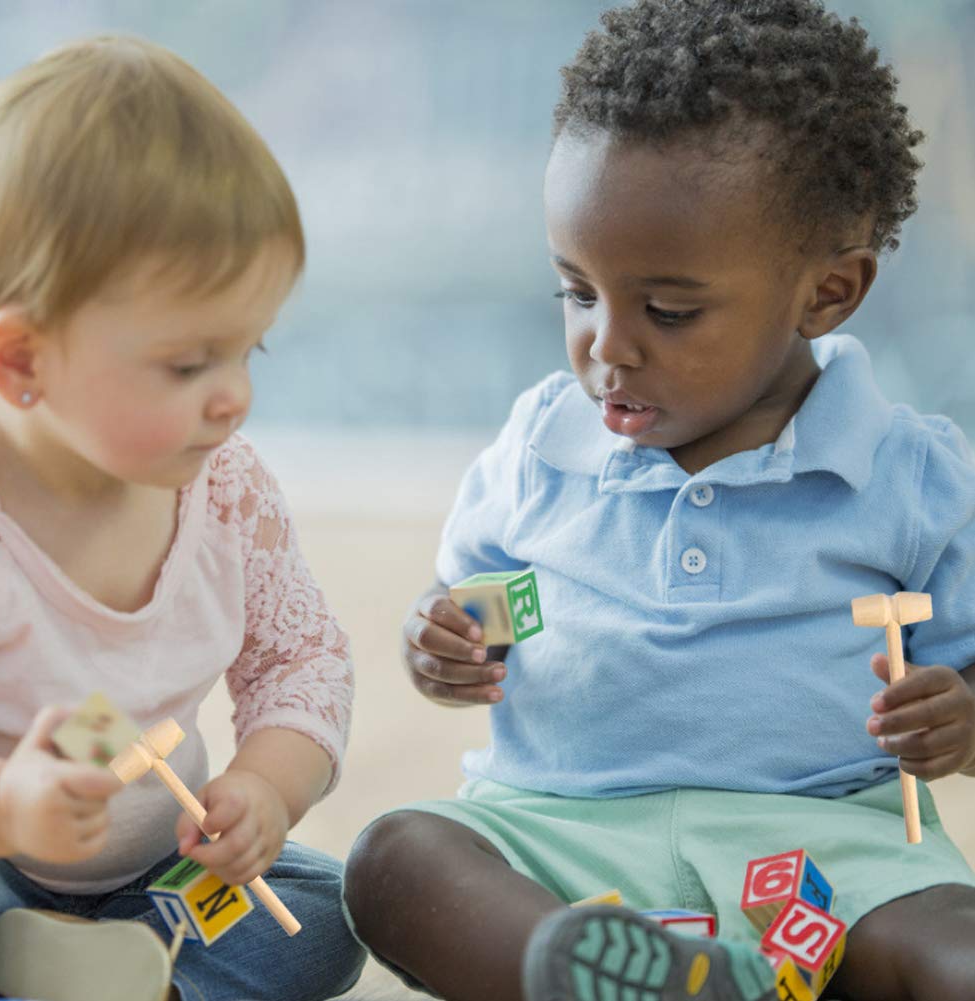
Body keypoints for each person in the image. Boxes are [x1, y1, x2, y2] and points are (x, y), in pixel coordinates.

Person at [342, 2, 975, 1000]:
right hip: (557, 833)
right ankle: (624, 973)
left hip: (826, 846)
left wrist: (962, 719)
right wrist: (442, 645)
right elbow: (479, 599)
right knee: (394, 857)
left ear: (827, 293)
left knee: (955, 946)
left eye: (667, 310)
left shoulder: (910, 478)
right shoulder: (538, 447)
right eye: (576, 292)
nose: (608, 344)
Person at [0, 36, 364, 1001]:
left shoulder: (225, 489)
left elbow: (301, 659)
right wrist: (4, 807)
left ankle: (86, 973)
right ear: (22, 362)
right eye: (190, 365)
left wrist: (268, 788)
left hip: (159, 875)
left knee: (329, 920)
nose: (233, 397)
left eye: (250, 349)